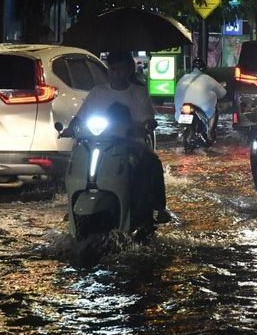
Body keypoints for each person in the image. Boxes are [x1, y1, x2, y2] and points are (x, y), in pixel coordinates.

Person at [74, 51, 171, 223]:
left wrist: (146, 125)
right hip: (100, 143)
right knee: (76, 160)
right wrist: (72, 126)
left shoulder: (139, 93)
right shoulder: (98, 92)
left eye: (120, 69)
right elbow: (81, 116)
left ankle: (159, 208)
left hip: (131, 145)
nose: (116, 74)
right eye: (112, 69)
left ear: (129, 70)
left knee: (152, 162)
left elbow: (148, 118)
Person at [174, 57, 227, 141]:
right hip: (200, 109)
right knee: (214, 111)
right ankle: (210, 132)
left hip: (181, 109)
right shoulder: (207, 79)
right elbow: (222, 93)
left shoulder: (183, 78)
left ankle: (181, 132)